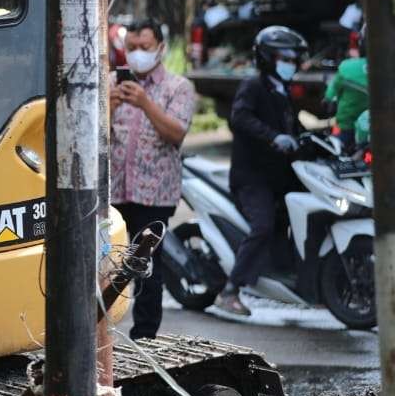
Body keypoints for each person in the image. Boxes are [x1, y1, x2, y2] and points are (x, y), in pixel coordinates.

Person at [108, 18, 196, 340]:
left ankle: (144, 336)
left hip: (155, 193)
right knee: (110, 262)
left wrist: (145, 103)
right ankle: (102, 330)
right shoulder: (110, 83)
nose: (137, 54)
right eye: (131, 48)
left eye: (144, 48)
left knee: (148, 266)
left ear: (160, 48)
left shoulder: (178, 88)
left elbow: (176, 133)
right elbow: (91, 135)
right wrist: (109, 105)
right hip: (115, 190)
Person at [218, 26, 307, 317]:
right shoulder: (253, 86)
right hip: (252, 178)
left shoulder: (283, 91)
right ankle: (230, 290)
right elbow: (240, 118)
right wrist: (272, 137)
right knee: (264, 226)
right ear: (268, 58)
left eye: (294, 59)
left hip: (278, 178)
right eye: (285, 57)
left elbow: (294, 129)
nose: (290, 63)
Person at [323, 24, 368, 151]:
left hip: (347, 129)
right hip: (385, 131)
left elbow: (328, 97)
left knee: (334, 152)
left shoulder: (346, 67)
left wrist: (327, 101)